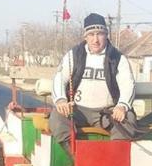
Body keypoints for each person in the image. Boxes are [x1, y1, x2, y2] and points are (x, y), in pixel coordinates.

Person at [49, 13, 138, 155]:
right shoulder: (74, 55)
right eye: (91, 34)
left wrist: (122, 106)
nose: (95, 40)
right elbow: (59, 77)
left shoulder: (118, 58)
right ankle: (78, 159)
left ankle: (113, 162)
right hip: (77, 111)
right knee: (57, 117)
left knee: (129, 120)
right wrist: (60, 100)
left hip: (106, 113)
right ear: (85, 36)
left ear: (106, 35)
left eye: (100, 34)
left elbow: (128, 84)